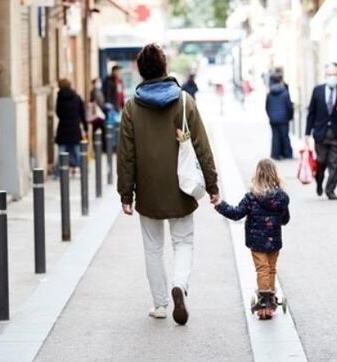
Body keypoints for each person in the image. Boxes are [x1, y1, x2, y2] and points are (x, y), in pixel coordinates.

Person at [117, 43, 219, 325]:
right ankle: (180, 284)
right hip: (181, 187)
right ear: (164, 67)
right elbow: (202, 147)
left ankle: (160, 304)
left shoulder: (131, 108)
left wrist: (126, 193)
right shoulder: (185, 101)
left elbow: (126, 156)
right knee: (183, 241)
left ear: (140, 71)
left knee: (152, 248)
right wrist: (212, 186)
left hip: (148, 190)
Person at [214, 159, 290, 319]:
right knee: (271, 269)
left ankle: (264, 300)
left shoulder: (251, 197)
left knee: (262, 269)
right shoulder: (282, 198)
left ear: (257, 176)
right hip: (274, 241)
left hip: (257, 242)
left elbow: (236, 214)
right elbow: (285, 220)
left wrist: (220, 204)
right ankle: (270, 297)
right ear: (275, 175)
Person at [305, 62, 337, 200]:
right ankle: (319, 182)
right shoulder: (317, 91)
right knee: (321, 162)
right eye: (330, 74)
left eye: (335, 74)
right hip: (320, 134)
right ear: (325, 76)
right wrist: (307, 133)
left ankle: (330, 189)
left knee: (335, 163)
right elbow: (311, 113)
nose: (332, 77)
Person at [55, 78, 87, 176]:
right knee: (77, 151)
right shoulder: (76, 97)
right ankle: (84, 170)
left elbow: (58, 113)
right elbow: (82, 113)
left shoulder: (59, 98)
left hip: (63, 128)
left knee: (61, 151)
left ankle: (58, 173)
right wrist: (85, 127)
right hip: (74, 128)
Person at [265, 73, 293, 160]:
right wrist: (289, 116)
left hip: (273, 119)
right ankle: (287, 153)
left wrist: (271, 115)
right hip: (284, 118)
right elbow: (289, 106)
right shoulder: (285, 92)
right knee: (285, 136)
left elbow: (267, 106)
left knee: (275, 136)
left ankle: (275, 154)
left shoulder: (269, 93)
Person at [89, 78, 107, 150]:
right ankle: (99, 148)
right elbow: (98, 102)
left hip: (99, 113)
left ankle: (99, 147)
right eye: (98, 82)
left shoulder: (98, 91)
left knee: (99, 130)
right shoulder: (94, 91)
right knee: (98, 130)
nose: (99, 83)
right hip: (98, 114)